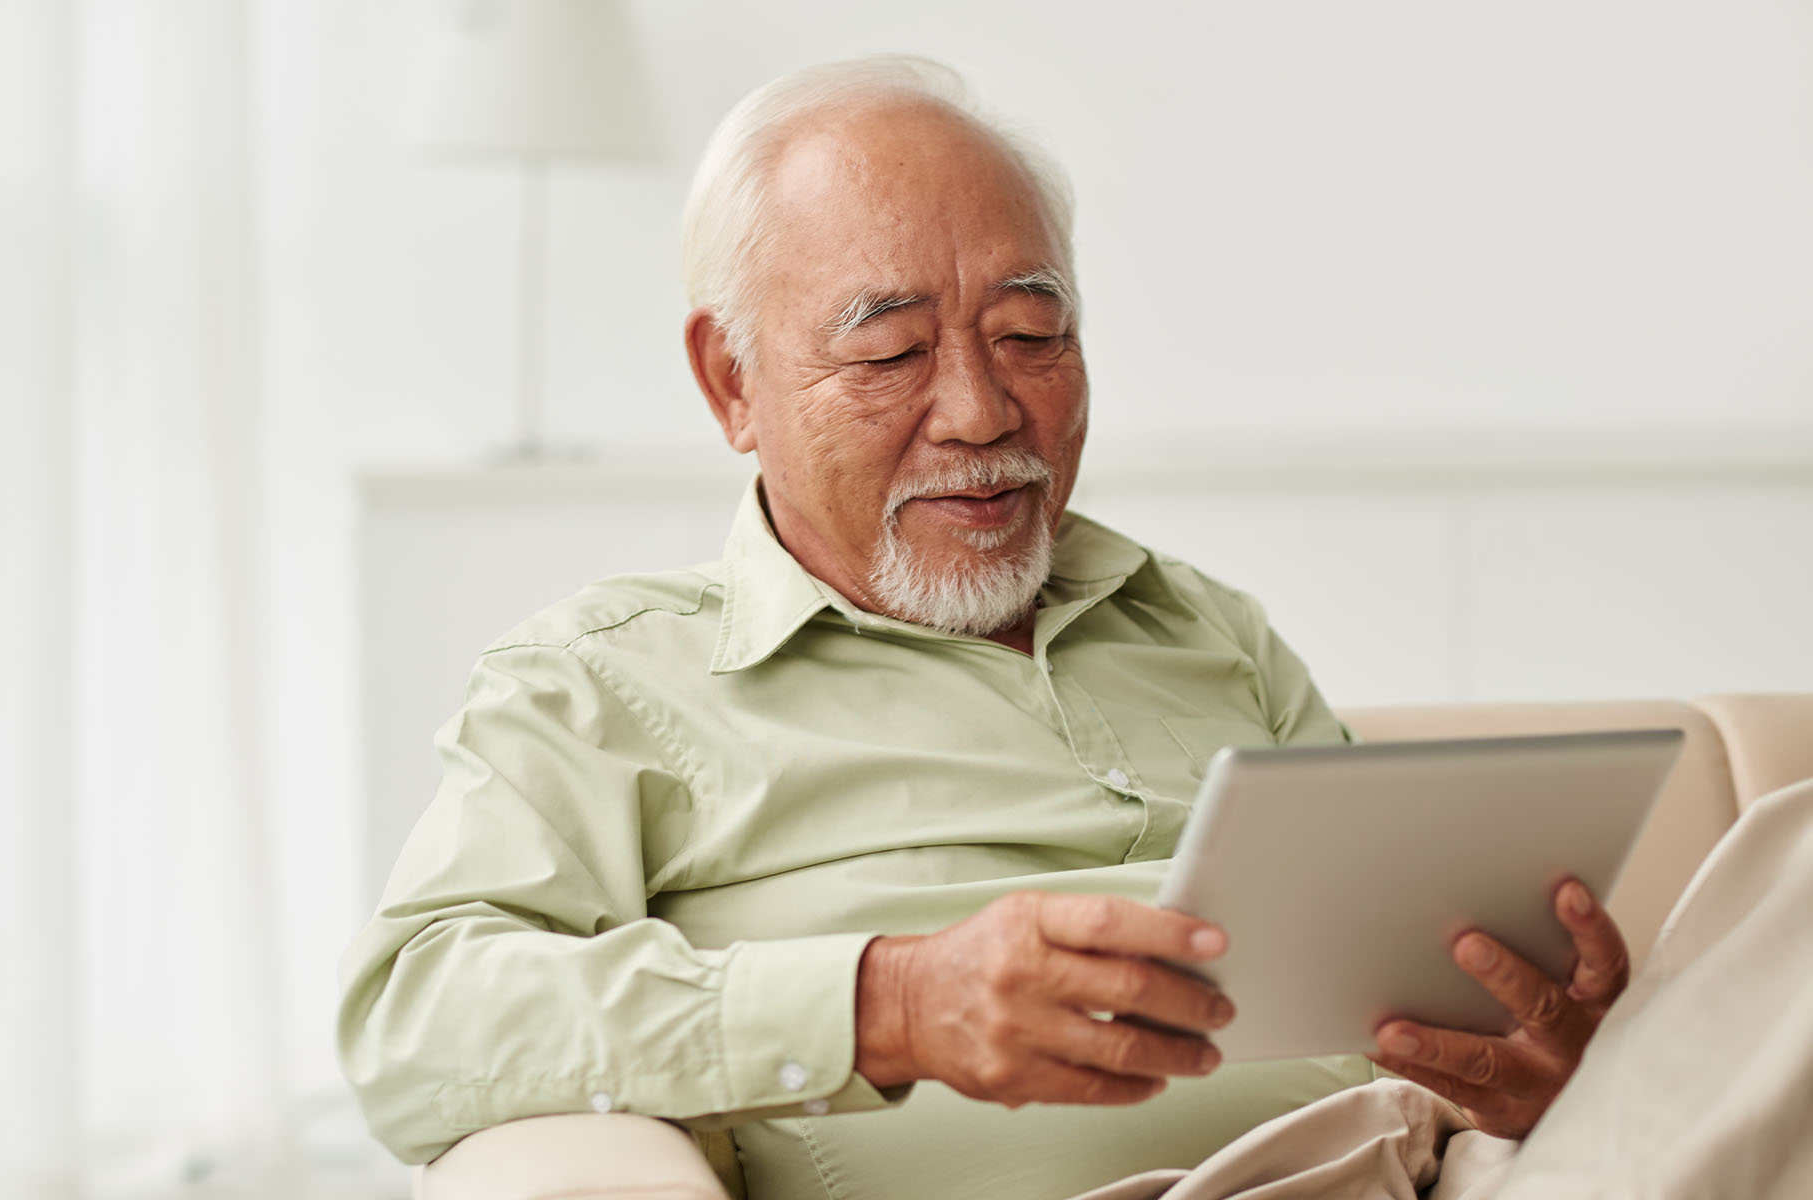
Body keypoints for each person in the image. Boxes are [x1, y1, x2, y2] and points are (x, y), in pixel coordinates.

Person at [336, 56, 1628, 1199]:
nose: (976, 410)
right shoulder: (601, 682)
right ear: (732, 382)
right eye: (890, 352)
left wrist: (1525, 1068)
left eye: (1029, 334)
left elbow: (1405, 1007)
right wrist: (889, 1004)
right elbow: (416, 1022)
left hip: (1412, 1173)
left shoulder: (1204, 628)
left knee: (1781, 866)